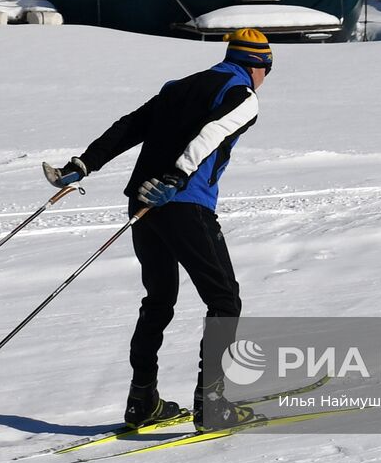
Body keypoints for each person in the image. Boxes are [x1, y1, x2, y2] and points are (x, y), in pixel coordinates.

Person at [45, 29, 272, 432]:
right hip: (180, 202)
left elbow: (131, 126)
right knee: (224, 301)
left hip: (142, 203)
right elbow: (211, 134)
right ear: (260, 67)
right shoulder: (244, 96)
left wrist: (83, 164)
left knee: (159, 299)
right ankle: (212, 405)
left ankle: (142, 401)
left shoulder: (180, 86)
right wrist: (176, 177)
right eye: (266, 72)